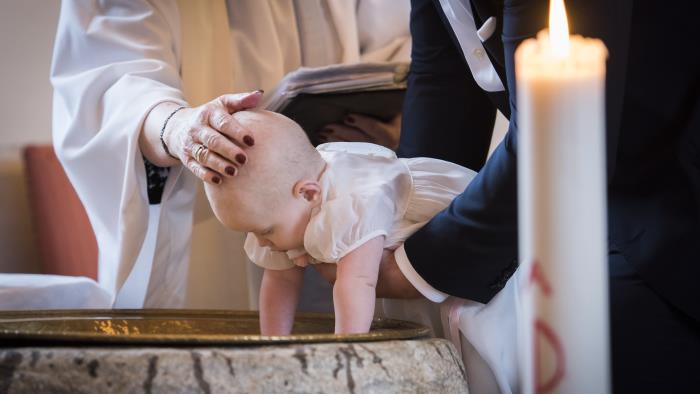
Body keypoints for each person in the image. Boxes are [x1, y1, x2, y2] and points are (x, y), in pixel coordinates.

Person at [373, 0, 700, 393]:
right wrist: (398, 221)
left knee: (599, 333)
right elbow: (442, 83)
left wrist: (417, 265)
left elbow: (554, 135)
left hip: (675, 199)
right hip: (598, 191)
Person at [51, 0, 411, 309]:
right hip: (205, 221)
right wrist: (180, 128)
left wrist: (396, 124)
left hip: (348, 205)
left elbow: (404, 46)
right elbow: (111, 76)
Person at [202, 109, 475, 335]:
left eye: (265, 231)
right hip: (407, 260)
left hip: (468, 240)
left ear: (308, 193)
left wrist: (345, 354)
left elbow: (357, 283)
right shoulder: (283, 205)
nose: (261, 241)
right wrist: (272, 347)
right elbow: (280, 281)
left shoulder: (355, 198)